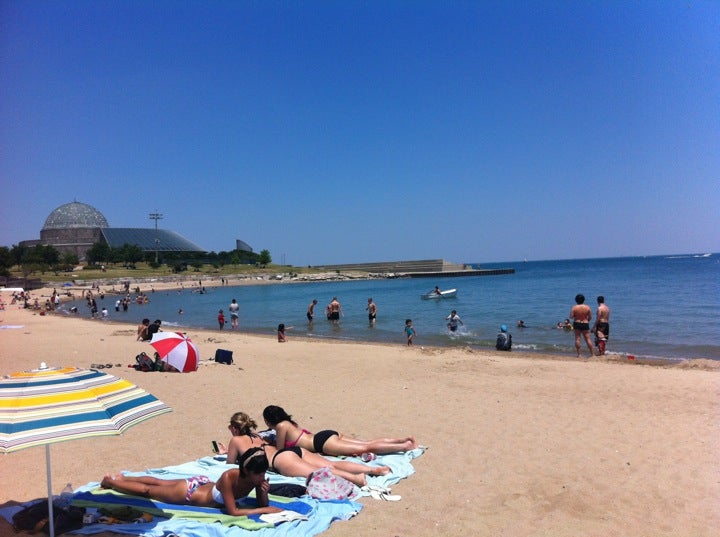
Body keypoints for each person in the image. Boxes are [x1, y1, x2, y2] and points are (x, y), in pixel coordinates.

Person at [221, 412, 390, 487]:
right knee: (331, 464)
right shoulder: (258, 436)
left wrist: (224, 453)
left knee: (321, 471)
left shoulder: (235, 440)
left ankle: (358, 479)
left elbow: (230, 463)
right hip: (294, 451)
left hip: (280, 461)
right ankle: (372, 469)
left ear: (235, 428)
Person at [99, 447, 282, 517]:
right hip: (189, 493)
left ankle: (123, 477)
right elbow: (233, 511)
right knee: (148, 490)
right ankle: (112, 483)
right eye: (259, 473)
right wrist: (265, 510)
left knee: (159, 482)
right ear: (247, 470)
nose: (262, 476)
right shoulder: (229, 477)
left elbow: (261, 502)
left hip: (201, 484)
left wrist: (263, 492)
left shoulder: (255, 479)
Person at [263, 405, 416, 458]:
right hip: (326, 435)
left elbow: (280, 450)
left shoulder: (281, 427)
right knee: (366, 443)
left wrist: (268, 443)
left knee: (365, 448)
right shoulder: (290, 423)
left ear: (269, 420)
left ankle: (404, 447)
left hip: (322, 443)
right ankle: (402, 440)